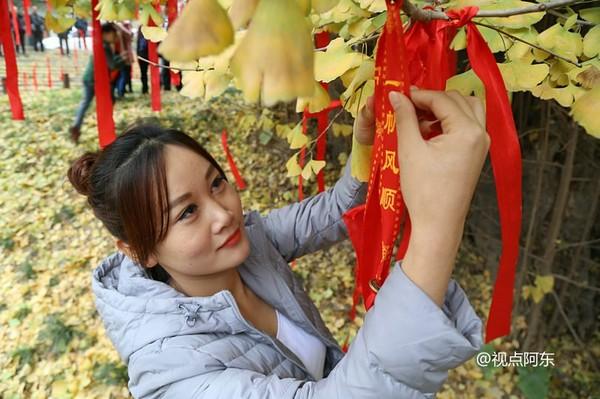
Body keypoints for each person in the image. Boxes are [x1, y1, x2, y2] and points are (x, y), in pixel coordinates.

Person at [67, 88, 488, 398]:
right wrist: (436, 232)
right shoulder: (175, 377)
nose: (223, 214)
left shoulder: (249, 243)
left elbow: (335, 212)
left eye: (217, 184)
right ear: (140, 252)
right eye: (186, 213)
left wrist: (365, 148)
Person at [69, 23, 126, 143]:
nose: (114, 37)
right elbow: (112, 65)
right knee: (105, 102)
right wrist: (123, 59)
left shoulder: (102, 44)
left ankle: (76, 126)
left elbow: (109, 62)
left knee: (87, 103)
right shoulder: (104, 46)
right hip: (95, 80)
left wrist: (120, 58)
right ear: (106, 34)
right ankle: (105, 125)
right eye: (113, 34)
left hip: (92, 79)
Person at [136, 30, 149, 94]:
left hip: (147, 56)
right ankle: (145, 88)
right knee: (143, 73)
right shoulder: (140, 34)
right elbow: (138, 45)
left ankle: (145, 88)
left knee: (144, 73)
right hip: (143, 56)